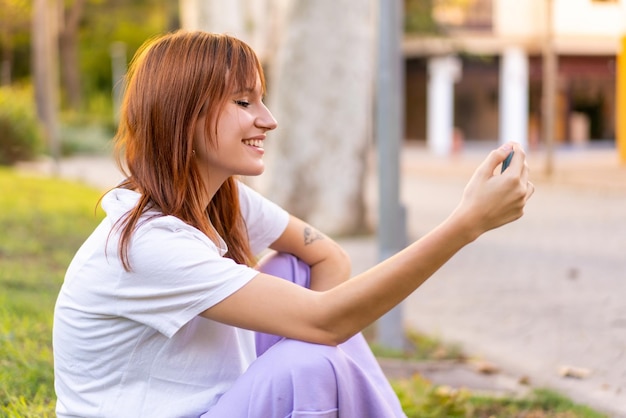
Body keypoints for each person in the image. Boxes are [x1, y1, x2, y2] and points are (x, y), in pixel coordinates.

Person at [52, 30, 534, 418]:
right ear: (183, 115)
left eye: (261, 100)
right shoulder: (144, 245)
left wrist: (298, 347)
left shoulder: (225, 198)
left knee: (294, 277)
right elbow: (325, 324)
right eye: (243, 103)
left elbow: (327, 256)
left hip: (215, 404)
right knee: (310, 359)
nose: (269, 120)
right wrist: (466, 223)